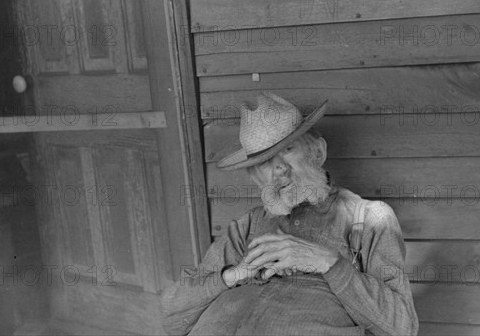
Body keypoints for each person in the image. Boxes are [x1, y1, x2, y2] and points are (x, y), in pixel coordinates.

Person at [160, 92, 418, 336]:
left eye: (288, 149)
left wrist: (328, 263)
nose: (279, 169)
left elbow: (401, 327)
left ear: (318, 152)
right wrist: (232, 275)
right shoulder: (248, 226)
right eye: (264, 161)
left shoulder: (371, 219)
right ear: (256, 178)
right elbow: (172, 315)